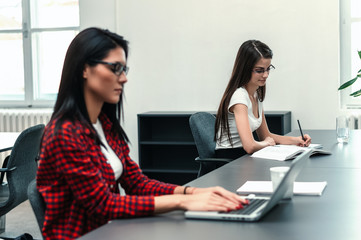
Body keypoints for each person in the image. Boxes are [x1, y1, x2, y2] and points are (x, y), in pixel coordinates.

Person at [36, 27, 248, 240]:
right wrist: (183, 202)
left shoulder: (105, 124)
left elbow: (136, 183)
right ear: (84, 69)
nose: (124, 79)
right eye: (115, 68)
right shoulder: (64, 133)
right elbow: (102, 205)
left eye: (124, 70)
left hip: (111, 230)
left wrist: (193, 192)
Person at [215, 40, 311, 160]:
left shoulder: (255, 95)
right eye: (259, 70)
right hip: (231, 159)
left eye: (268, 69)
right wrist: (266, 143)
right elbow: (250, 146)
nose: (265, 75)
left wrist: (296, 140)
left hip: (245, 156)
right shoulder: (239, 97)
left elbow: (266, 135)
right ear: (245, 69)